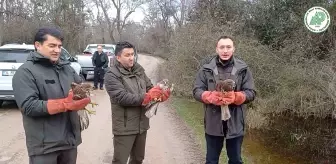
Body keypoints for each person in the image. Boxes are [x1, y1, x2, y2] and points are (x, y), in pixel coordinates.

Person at [12, 27, 91, 164]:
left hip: (69, 142)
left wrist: (83, 94)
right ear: (37, 45)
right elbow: (28, 106)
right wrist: (64, 104)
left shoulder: (66, 68)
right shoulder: (25, 72)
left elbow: (79, 87)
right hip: (44, 147)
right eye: (52, 46)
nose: (57, 50)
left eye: (60, 46)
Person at [193, 36, 256, 164]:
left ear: (233, 49)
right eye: (222, 47)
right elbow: (196, 91)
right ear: (217, 49)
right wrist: (209, 96)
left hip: (236, 123)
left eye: (228, 47)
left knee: (236, 160)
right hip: (213, 124)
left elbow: (251, 93)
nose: (225, 50)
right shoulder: (205, 69)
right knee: (211, 161)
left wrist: (237, 97)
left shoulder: (243, 69)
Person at [104, 41, 171, 164]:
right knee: (120, 161)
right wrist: (146, 98)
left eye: (132, 54)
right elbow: (121, 97)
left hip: (142, 125)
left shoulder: (139, 70)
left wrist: (159, 94)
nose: (131, 58)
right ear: (118, 57)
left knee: (138, 160)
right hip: (124, 127)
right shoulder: (111, 75)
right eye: (127, 55)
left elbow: (150, 88)